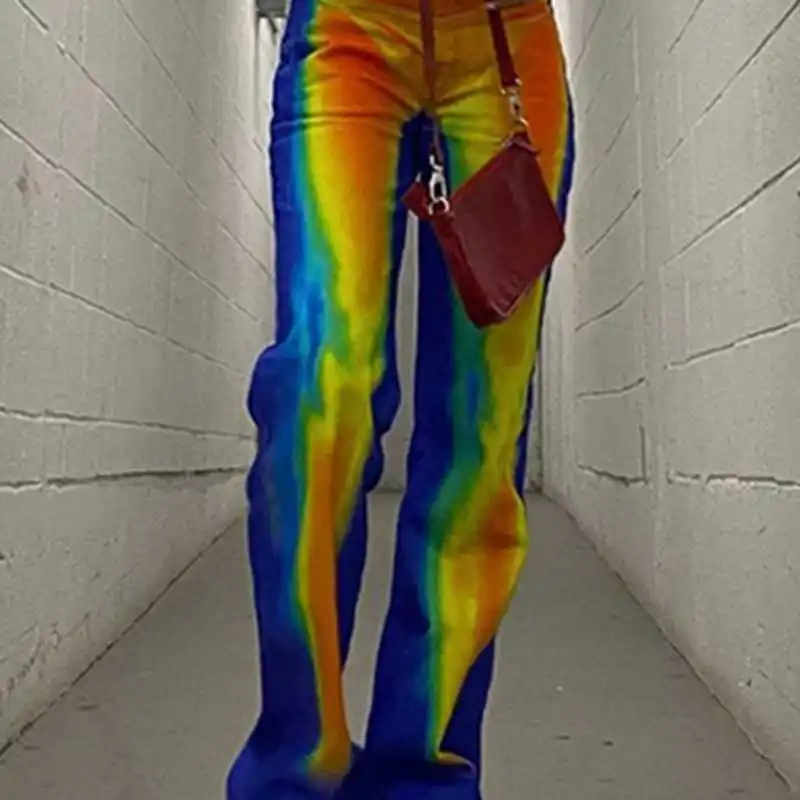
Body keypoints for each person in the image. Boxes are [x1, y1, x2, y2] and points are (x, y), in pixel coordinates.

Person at [228, 0, 574, 797]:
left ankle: (424, 778)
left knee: (482, 436)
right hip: (347, 31)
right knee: (318, 391)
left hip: (506, 43)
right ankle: (295, 772)